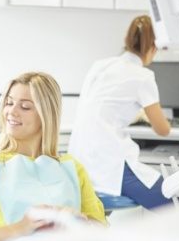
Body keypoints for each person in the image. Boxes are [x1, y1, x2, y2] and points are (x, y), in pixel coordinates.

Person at [0, 72, 106, 241]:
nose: (12, 112)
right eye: (8, 103)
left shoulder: (72, 168)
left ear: (46, 115)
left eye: (25, 107)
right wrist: (21, 228)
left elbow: (101, 232)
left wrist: (76, 221)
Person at [67, 15, 172, 210]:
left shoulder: (99, 66)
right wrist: (152, 117)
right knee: (172, 201)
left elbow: (100, 109)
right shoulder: (144, 76)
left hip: (79, 164)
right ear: (153, 47)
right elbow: (163, 130)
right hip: (110, 164)